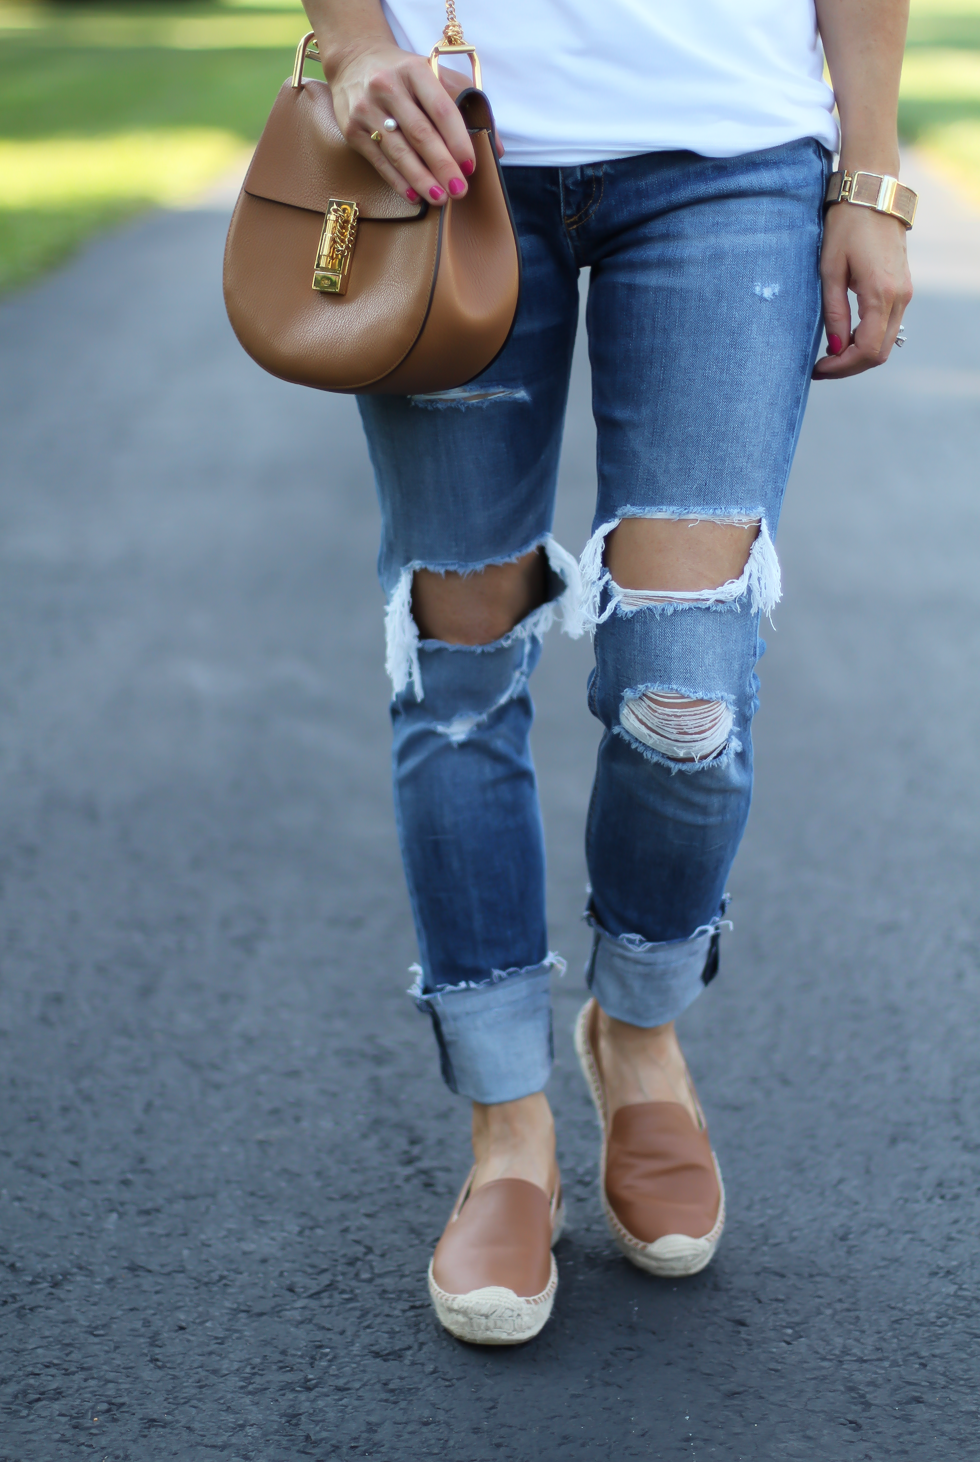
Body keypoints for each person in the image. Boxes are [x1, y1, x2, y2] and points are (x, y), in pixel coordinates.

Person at [300, 0, 912, 1344]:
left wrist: (871, 172)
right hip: (446, 146)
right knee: (458, 673)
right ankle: (509, 1130)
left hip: (732, 154)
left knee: (684, 685)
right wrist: (349, 45)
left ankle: (635, 1027)